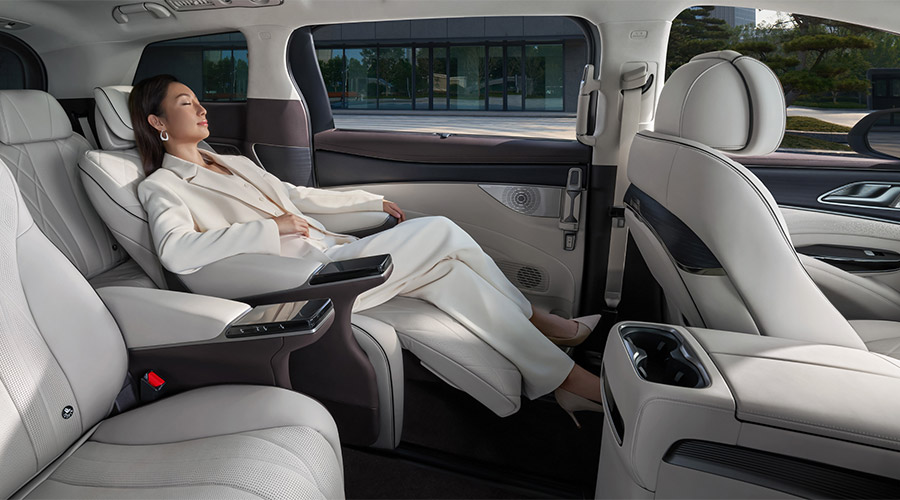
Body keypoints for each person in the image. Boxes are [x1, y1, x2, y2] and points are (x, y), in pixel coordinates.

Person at [132, 74, 603, 424]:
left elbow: (296, 196)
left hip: (335, 255)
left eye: (198, 100)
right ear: (158, 121)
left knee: (452, 274)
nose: (202, 108)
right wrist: (269, 228)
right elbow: (176, 251)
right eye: (186, 103)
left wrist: (369, 201)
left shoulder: (231, 162)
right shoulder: (163, 185)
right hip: (309, 280)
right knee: (441, 229)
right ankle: (543, 323)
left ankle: (564, 380)